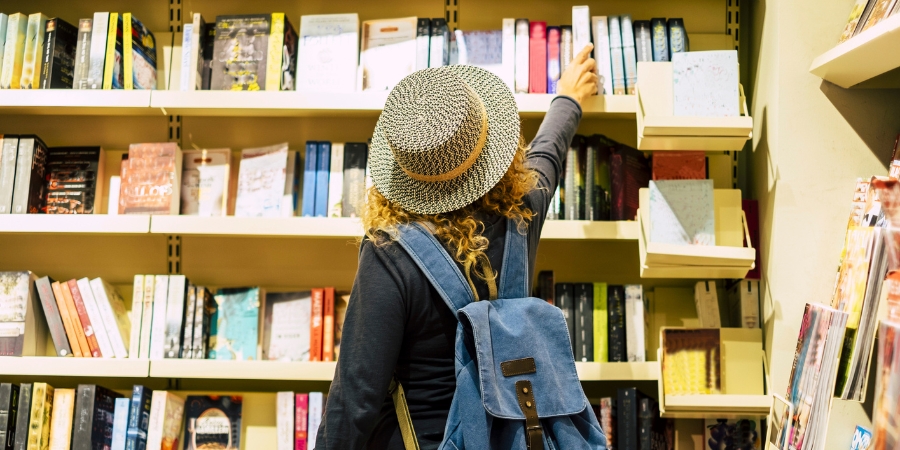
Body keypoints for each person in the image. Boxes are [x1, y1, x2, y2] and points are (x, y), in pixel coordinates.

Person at [316, 44, 599, 450]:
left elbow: (353, 401)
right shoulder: (523, 211)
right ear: (491, 153)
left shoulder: (390, 255)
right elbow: (547, 155)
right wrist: (569, 97)